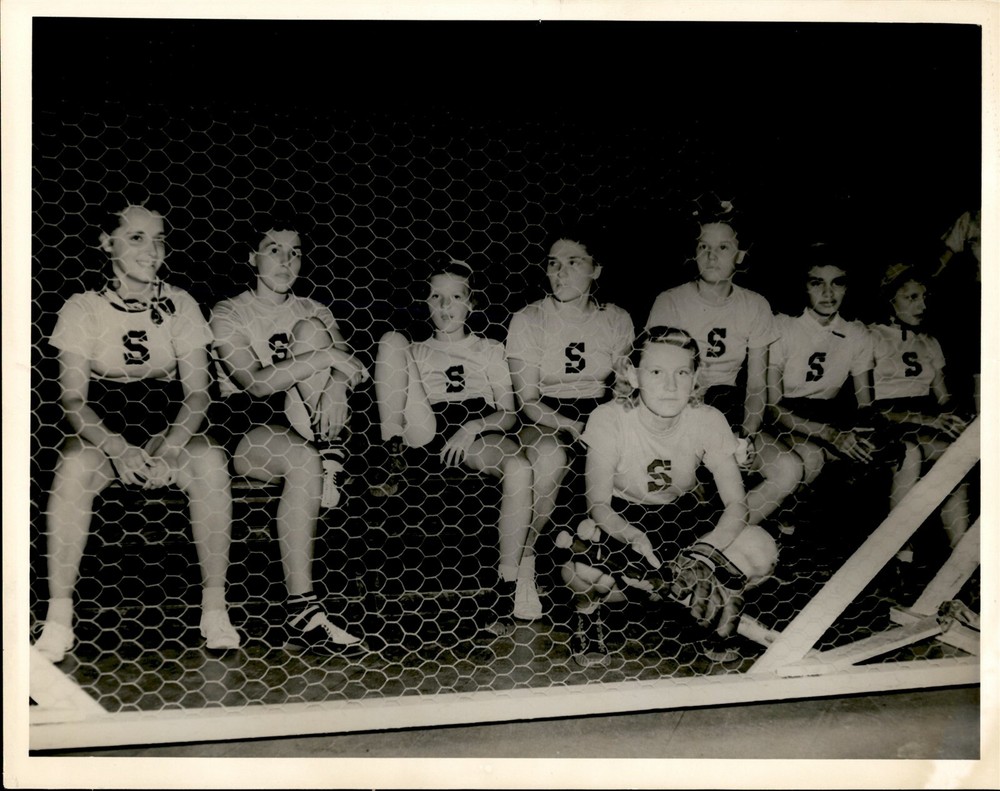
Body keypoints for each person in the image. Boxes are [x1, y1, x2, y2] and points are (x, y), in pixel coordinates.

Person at [34, 203, 238, 662]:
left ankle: (215, 609)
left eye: (159, 238)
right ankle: (58, 618)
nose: (152, 250)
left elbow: (199, 395)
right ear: (106, 244)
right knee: (71, 469)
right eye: (137, 238)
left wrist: (167, 452)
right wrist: (118, 451)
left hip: (167, 422)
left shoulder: (181, 302)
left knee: (209, 461)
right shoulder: (82, 306)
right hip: (103, 428)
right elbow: (72, 400)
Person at [555, 326, 778, 667]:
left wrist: (705, 554)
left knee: (761, 551)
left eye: (682, 372)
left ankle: (706, 612)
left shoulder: (707, 419)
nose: (670, 385)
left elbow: (737, 503)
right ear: (633, 374)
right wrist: (631, 536)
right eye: (656, 372)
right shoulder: (608, 419)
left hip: (681, 517)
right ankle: (589, 613)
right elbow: (598, 505)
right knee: (581, 558)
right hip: (623, 519)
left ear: (696, 377)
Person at [209, 217, 369, 654]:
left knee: (313, 331)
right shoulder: (228, 310)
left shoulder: (313, 308)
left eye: (294, 251)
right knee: (303, 458)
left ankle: (330, 462)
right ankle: (305, 609)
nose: (285, 259)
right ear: (251, 257)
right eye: (273, 248)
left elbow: (351, 370)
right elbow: (255, 383)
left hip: (306, 414)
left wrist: (335, 378)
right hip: (247, 421)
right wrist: (330, 357)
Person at [369, 257, 535, 637]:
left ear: (471, 303)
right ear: (425, 304)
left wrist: (473, 428)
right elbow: (403, 387)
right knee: (392, 341)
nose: (446, 307)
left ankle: (505, 591)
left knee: (520, 467)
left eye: (456, 297)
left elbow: (508, 413)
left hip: (476, 428)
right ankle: (390, 451)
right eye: (436, 297)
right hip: (424, 428)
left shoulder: (489, 348)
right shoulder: (418, 350)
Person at [645, 198, 802, 531]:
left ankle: (717, 544)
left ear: (740, 255)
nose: (711, 256)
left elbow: (757, 385)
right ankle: (696, 539)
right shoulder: (670, 301)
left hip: (729, 409)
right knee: (681, 484)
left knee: (789, 469)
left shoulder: (755, 305)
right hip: (680, 409)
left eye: (722, 247)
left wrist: (747, 435)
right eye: (703, 246)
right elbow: (657, 382)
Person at [505, 236, 635, 621]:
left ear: (596, 270)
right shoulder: (529, 318)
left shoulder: (615, 318)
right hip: (545, 416)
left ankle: (604, 565)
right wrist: (572, 424)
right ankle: (524, 568)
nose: (560, 272)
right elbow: (527, 399)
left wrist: (623, 395)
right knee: (552, 457)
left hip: (600, 411)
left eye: (574, 262)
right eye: (553, 263)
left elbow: (624, 386)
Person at [767, 244, 904, 508]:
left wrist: (872, 434)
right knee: (812, 456)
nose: (828, 293)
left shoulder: (856, 332)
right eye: (817, 283)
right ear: (803, 286)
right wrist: (829, 435)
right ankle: (784, 524)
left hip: (827, 415)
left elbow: (866, 405)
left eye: (837, 283)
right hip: (783, 417)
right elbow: (773, 408)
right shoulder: (781, 326)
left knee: (892, 453)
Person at [869, 262, 972, 560]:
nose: (921, 305)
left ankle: (961, 557)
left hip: (923, 421)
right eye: (911, 298)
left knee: (958, 455)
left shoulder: (929, 342)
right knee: (909, 452)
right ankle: (897, 554)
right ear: (890, 299)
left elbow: (943, 399)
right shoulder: (871, 336)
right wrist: (925, 419)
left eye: (924, 297)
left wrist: (958, 418)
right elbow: (868, 405)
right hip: (886, 421)